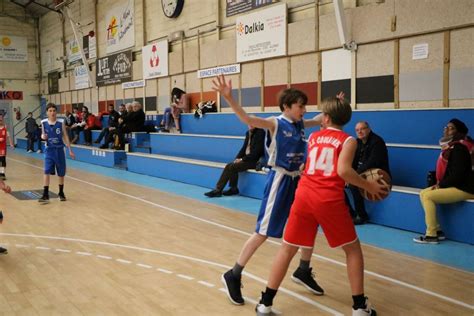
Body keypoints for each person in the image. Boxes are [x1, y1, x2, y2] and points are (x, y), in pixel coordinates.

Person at [255, 93, 386, 316]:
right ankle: (359, 307)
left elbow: (308, 165)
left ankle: (265, 303)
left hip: (304, 195)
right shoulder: (348, 140)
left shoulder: (314, 137)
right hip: (328, 199)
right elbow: (343, 171)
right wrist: (368, 185)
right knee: (352, 250)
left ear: (325, 118)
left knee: (287, 249)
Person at [213, 75, 325, 306]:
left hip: (299, 181)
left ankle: (303, 270)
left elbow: (321, 118)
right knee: (263, 232)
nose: (304, 109)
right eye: (300, 106)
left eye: (305, 106)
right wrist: (229, 98)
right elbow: (246, 118)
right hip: (280, 180)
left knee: (307, 224)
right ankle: (233, 274)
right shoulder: (275, 122)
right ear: (287, 106)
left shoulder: (300, 123)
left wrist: (335, 103)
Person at [414, 119, 474, 244]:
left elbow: (458, 175)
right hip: (458, 185)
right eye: (446, 127)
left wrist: (441, 185)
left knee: (428, 196)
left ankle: (431, 235)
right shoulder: (454, 146)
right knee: (423, 193)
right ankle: (438, 231)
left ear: (458, 132)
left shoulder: (460, 148)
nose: (446, 129)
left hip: (466, 188)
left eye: (451, 128)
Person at [345, 121, 390, 224]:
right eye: (357, 130)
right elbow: (352, 161)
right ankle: (351, 213)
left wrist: (353, 176)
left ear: (369, 129)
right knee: (337, 182)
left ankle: (362, 215)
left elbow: (372, 163)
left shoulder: (377, 142)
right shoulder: (357, 142)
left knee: (353, 184)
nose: (359, 132)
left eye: (362, 129)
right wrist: (348, 174)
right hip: (364, 174)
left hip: (379, 175)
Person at [205, 125, 265, 197]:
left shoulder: (261, 133)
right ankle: (224, 189)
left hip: (256, 161)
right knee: (229, 165)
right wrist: (237, 158)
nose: (250, 125)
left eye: (252, 123)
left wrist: (242, 159)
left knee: (233, 166)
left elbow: (256, 152)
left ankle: (224, 190)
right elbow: (244, 148)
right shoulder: (248, 133)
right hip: (248, 159)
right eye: (248, 123)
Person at [39, 103, 75, 204]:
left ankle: (61, 192)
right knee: (46, 171)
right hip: (49, 150)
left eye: (54, 110)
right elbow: (42, 135)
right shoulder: (43, 122)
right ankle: (45, 194)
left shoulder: (61, 122)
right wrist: (43, 137)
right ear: (47, 112)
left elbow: (65, 136)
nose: (52, 112)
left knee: (61, 172)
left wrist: (70, 150)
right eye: (50, 111)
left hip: (59, 150)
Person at [0, 114, 14, 180]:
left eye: (1, 119)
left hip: (3, 147)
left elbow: (8, 136)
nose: (0, 120)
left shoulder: (5, 128)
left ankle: (2, 173)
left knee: (3, 160)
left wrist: (11, 143)